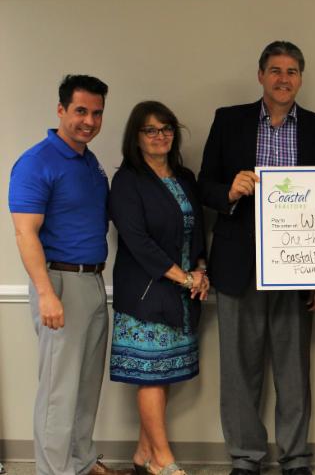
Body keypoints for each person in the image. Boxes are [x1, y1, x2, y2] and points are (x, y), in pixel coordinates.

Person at [198, 40, 315, 475]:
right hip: (239, 263)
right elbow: (204, 185)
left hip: (297, 266)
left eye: (291, 71)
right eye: (275, 70)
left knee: (293, 370)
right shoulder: (229, 120)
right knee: (239, 370)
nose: (283, 78)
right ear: (260, 75)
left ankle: (295, 458)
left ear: (301, 79)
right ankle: (246, 458)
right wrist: (229, 192)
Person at [9, 75, 131, 475]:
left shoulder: (89, 162)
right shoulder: (37, 162)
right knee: (59, 390)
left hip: (92, 280)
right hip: (59, 283)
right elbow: (25, 233)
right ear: (61, 110)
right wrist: (46, 293)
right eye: (80, 111)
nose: (89, 121)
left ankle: (80, 461)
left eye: (97, 113)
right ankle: (55, 470)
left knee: (85, 384)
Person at [108, 101, 210, 475]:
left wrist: (201, 269)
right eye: (150, 130)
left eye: (166, 128)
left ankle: (143, 454)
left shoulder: (184, 177)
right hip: (145, 294)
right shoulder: (127, 181)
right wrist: (184, 277)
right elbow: (138, 240)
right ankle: (163, 461)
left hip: (182, 294)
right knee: (149, 376)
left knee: (162, 374)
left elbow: (198, 230)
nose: (160, 136)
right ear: (136, 137)